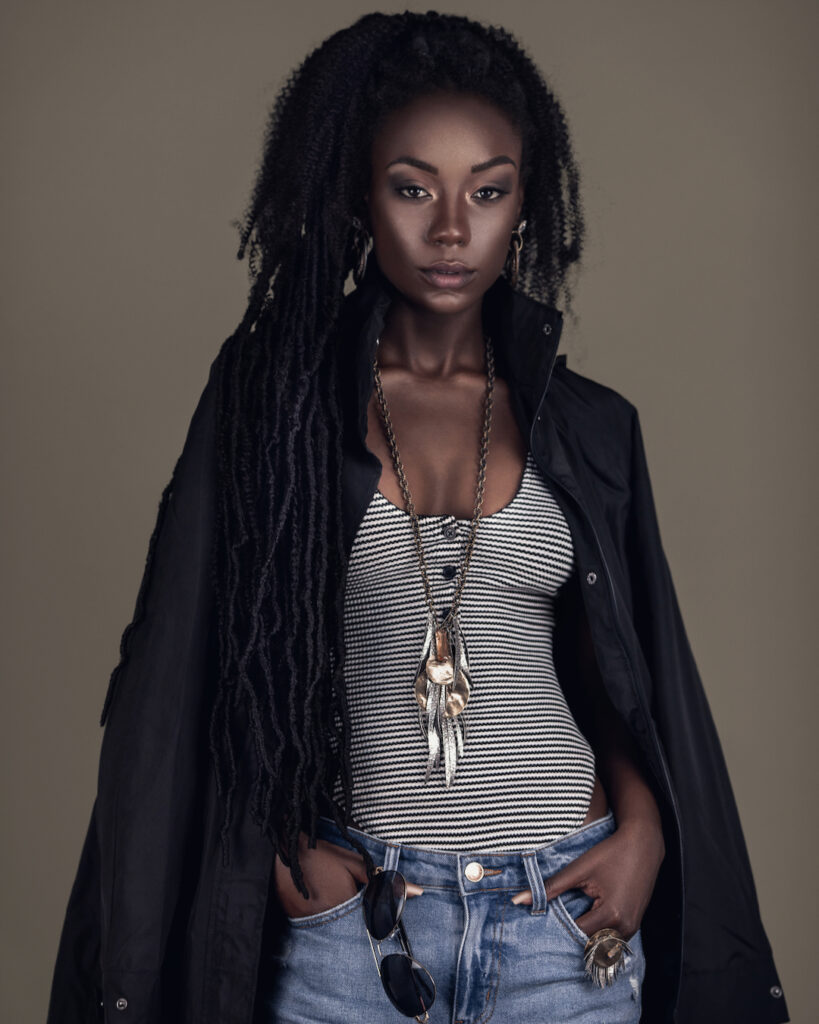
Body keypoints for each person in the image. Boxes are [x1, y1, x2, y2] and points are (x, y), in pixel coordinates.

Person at [48, 11, 787, 1024]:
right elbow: (190, 666)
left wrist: (646, 821)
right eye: (413, 187)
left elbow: (620, 670)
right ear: (360, 193)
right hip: (357, 931)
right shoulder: (273, 407)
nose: (452, 229)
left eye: (488, 190)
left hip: (563, 919)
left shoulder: (589, 427)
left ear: (524, 203)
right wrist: (288, 836)